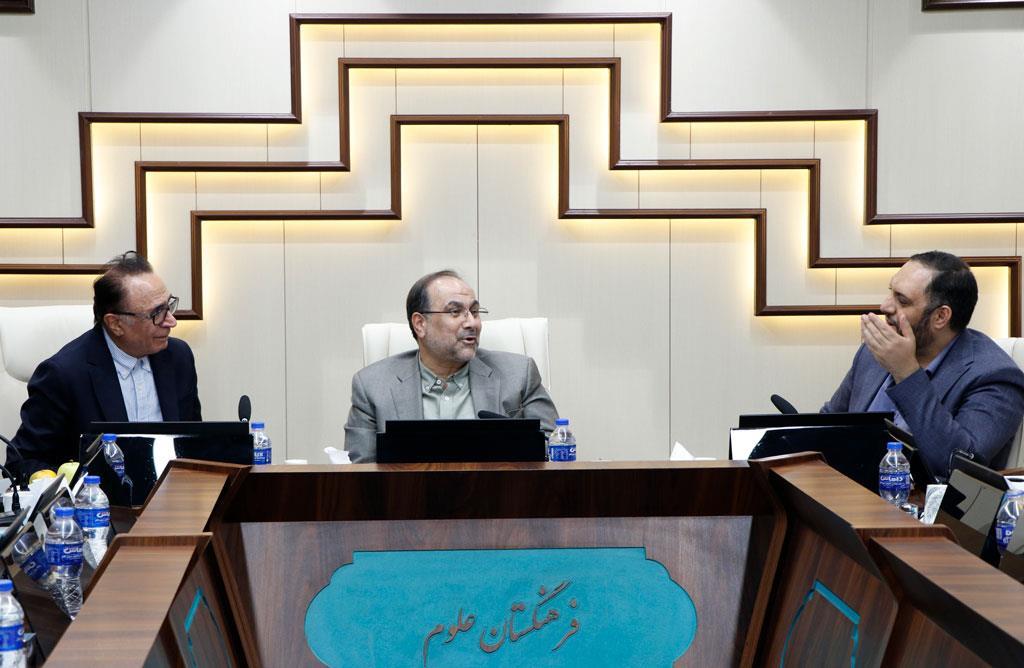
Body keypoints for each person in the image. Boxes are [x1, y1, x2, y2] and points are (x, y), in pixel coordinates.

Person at [822, 251, 1024, 479]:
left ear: (940, 317)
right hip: (846, 489)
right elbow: (828, 424)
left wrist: (907, 374)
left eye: (902, 300)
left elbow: (959, 465)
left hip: (919, 500)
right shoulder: (877, 350)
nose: (885, 306)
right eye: (891, 292)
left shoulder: (995, 376)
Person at [6, 252, 201, 478]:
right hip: (98, 497)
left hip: (173, 492)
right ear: (115, 323)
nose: (171, 321)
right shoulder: (64, 374)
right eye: (157, 313)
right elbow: (22, 461)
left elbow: (193, 442)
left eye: (169, 306)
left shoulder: (178, 357)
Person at [344, 270, 558, 462]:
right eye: (455, 312)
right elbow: (360, 473)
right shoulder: (372, 386)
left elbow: (555, 451)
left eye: (475, 312)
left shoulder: (519, 375)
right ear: (420, 324)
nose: (472, 323)